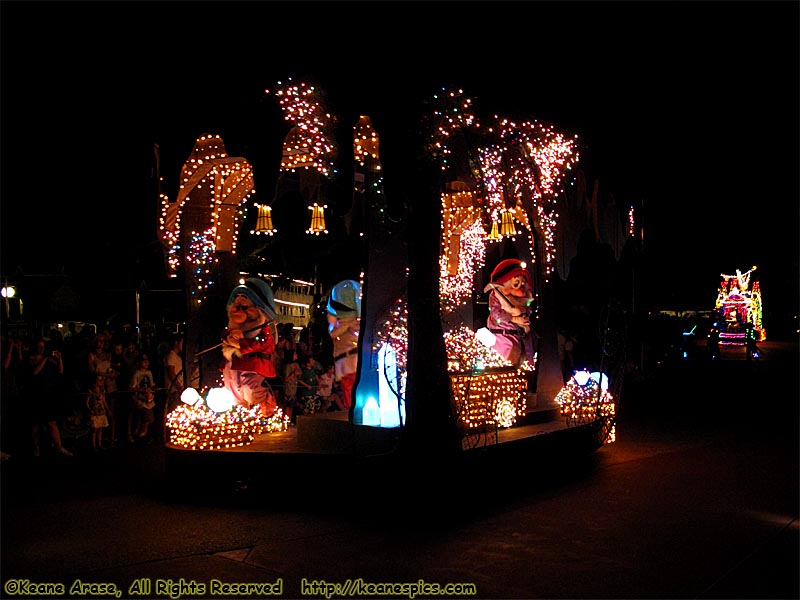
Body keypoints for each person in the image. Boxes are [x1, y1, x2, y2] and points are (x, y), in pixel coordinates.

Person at [221, 278, 279, 417]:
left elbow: (262, 342)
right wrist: (229, 337)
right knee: (232, 390)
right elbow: (226, 335)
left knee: (251, 390)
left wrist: (241, 345)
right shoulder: (233, 325)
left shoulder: (262, 326)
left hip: (252, 365)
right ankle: (241, 416)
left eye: (244, 298)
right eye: (237, 298)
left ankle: (266, 406)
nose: (239, 300)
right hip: (233, 364)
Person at [23, 338, 73, 457]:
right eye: (39, 346)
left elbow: (60, 371)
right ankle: (36, 447)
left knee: (51, 422)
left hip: (49, 395)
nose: (41, 349)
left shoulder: (49, 360)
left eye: (43, 347)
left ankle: (58, 447)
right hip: (36, 395)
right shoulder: (30, 359)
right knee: (35, 423)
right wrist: (45, 359)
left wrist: (60, 359)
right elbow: (35, 372)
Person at [482, 258, 534, 366]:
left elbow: (528, 309)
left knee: (525, 368)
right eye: (516, 284)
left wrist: (524, 316)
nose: (520, 288)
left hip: (522, 338)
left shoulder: (524, 299)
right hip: (504, 338)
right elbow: (496, 314)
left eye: (523, 284)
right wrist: (513, 318)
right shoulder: (496, 295)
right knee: (508, 368)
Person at [326, 279, 361, 411]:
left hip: (356, 358)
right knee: (348, 391)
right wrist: (347, 324)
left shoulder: (358, 320)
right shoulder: (337, 321)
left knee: (355, 390)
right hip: (345, 359)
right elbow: (333, 332)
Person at [129, 354, 156, 442]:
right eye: (144, 361)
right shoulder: (136, 373)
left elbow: (152, 385)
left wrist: (154, 388)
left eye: (147, 361)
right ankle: (141, 435)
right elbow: (132, 387)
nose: (146, 363)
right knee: (147, 417)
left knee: (147, 418)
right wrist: (142, 390)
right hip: (140, 400)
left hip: (149, 399)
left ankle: (140, 434)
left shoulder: (149, 373)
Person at [86, 373, 110, 451]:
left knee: (100, 429)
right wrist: (89, 409)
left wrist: (108, 409)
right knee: (94, 430)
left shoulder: (102, 391)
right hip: (94, 413)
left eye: (102, 380)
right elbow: (86, 402)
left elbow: (104, 401)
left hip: (101, 413)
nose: (101, 381)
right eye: (99, 380)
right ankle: (93, 445)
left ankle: (99, 444)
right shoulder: (90, 391)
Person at [282, 350, 302, 423]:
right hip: (288, 388)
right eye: (295, 354)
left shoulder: (296, 364)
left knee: (291, 405)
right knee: (288, 406)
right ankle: (286, 421)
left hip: (294, 388)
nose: (296, 354)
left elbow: (299, 374)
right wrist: (293, 373)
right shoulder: (287, 366)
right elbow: (286, 379)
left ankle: (289, 421)